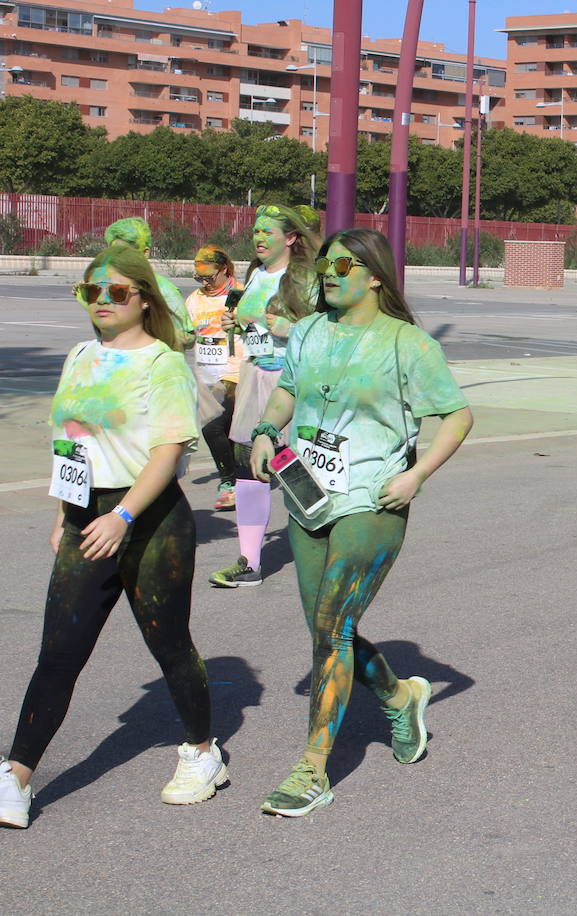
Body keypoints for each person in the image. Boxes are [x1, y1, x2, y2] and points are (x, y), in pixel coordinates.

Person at [248, 228, 473, 816]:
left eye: (343, 264)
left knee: (331, 626)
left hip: (374, 501)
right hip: (307, 496)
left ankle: (313, 771)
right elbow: (287, 392)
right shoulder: (307, 332)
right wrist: (267, 431)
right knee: (328, 629)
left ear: (375, 274)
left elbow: (456, 416)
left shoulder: (408, 344)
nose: (329, 272)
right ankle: (400, 696)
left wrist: (416, 476)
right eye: (325, 263)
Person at [0, 246, 223, 830]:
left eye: (116, 291)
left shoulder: (162, 362)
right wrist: (62, 515)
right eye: (91, 291)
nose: (102, 300)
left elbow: (169, 450)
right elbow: (71, 443)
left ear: (144, 297)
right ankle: (17, 777)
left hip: (149, 521)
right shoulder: (79, 355)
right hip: (85, 517)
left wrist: (121, 516)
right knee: (58, 653)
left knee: (169, 646)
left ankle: (202, 752)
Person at [209, 204, 321, 587]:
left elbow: (324, 327)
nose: (258, 237)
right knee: (247, 465)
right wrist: (233, 321)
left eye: (267, 232)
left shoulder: (305, 277)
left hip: (291, 381)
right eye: (256, 231)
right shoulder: (255, 274)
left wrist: (291, 328)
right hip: (255, 375)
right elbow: (249, 320)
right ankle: (250, 561)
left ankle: (323, 545)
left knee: (293, 465)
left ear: (290, 238)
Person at [184, 245, 242, 510]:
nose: (204, 281)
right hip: (205, 373)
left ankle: (228, 482)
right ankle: (240, 475)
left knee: (211, 427)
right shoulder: (194, 299)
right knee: (226, 430)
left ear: (224, 269)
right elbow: (188, 334)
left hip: (234, 371)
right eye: (200, 277)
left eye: (209, 275)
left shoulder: (241, 294)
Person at [103, 217, 193, 348]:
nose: (118, 257)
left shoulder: (164, 290)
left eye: (126, 252)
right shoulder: (110, 288)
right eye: (114, 252)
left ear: (145, 253)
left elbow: (188, 338)